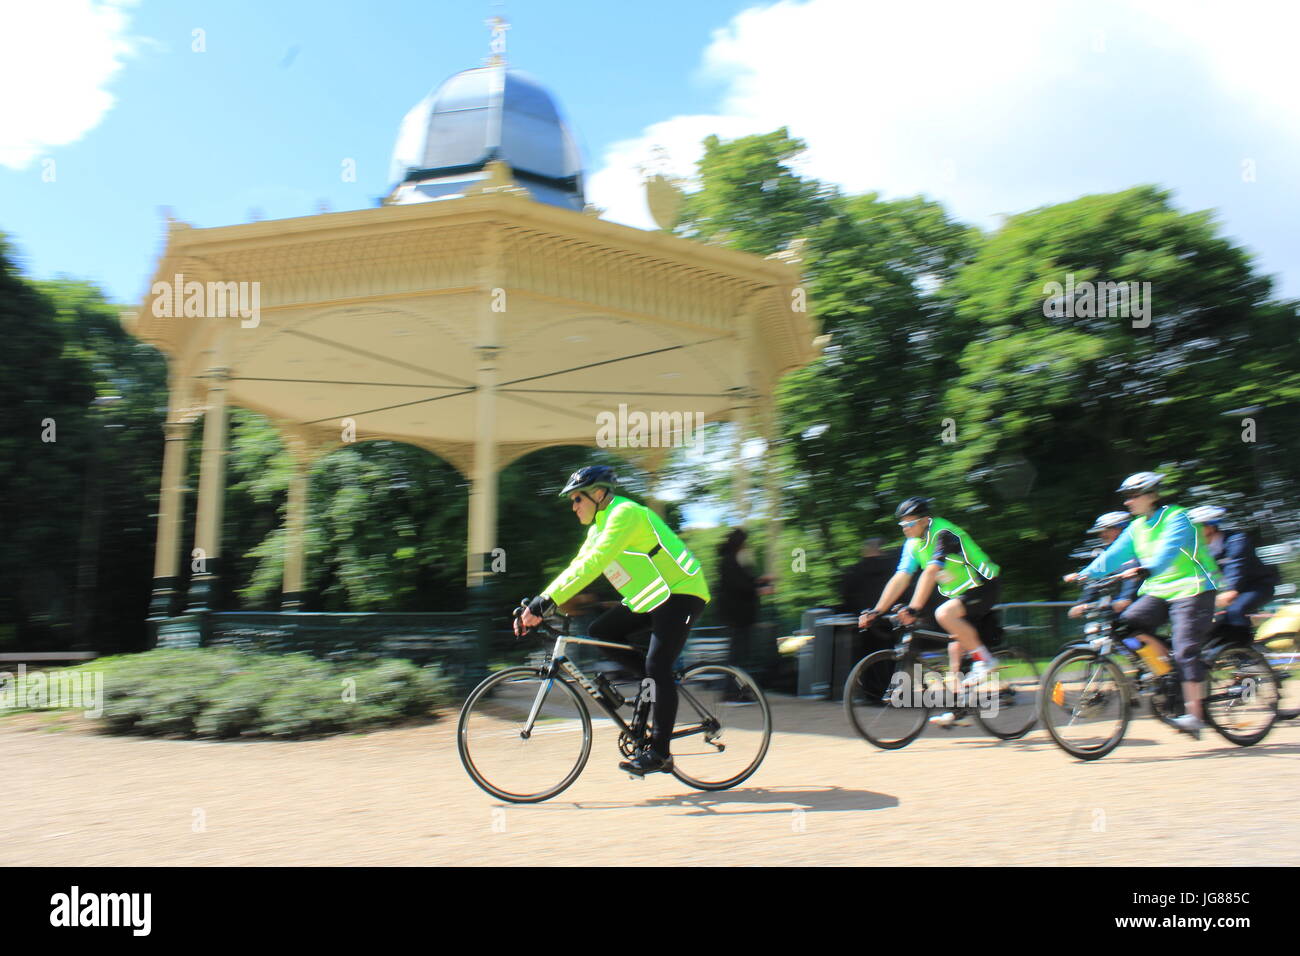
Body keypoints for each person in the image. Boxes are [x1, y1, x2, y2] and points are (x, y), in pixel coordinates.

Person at [514, 465, 710, 776]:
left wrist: (544, 603)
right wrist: (542, 601)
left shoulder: (625, 514)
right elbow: (578, 566)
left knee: (657, 666)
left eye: (577, 498)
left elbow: (596, 562)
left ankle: (660, 753)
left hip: (682, 593)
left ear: (598, 493)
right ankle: (655, 684)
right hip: (651, 598)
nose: (573, 506)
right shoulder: (597, 528)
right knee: (600, 631)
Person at [1076, 472, 1220, 738]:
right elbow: (1113, 555)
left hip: (1194, 588)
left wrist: (1147, 567)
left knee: (1185, 646)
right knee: (1125, 625)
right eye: (1126, 498)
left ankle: (1194, 715)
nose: (1128, 502)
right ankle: (1167, 670)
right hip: (1160, 590)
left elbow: (1168, 551)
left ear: (1152, 495)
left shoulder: (1177, 517)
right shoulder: (1137, 527)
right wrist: (1086, 573)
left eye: (1133, 496)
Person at [858, 497, 1003, 727]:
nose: (905, 528)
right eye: (902, 525)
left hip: (983, 584)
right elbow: (901, 578)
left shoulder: (942, 532)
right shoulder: (912, 544)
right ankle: (957, 710)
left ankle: (985, 660)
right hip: (962, 594)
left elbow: (931, 572)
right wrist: (877, 610)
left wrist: (913, 609)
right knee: (954, 648)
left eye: (909, 524)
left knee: (944, 614)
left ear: (925, 520)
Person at [1187, 505, 1279, 645]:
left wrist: (1230, 590)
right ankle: (1226, 651)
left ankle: (1247, 654)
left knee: (1235, 610)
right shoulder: (1199, 551)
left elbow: (1236, 567)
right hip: (1227, 592)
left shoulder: (1236, 540)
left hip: (1256, 587)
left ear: (1210, 527)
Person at [715, 529, 772, 694]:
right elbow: (738, 586)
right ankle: (732, 692)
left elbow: (742, 582)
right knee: (737, 656)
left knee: (739, 655)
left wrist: (759, 581)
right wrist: (759, 590)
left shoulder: (731, 560)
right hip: (738, 616)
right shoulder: (730, 561)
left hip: (739, 615)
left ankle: (736, 691)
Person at [1064, 512, 1139, 618]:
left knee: (1130, 627)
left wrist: (1125, 598)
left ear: (1121, 529)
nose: (1101, 535)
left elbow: (1133, 577)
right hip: (1118, 607)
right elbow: (1097, 579)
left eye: (1105, 531)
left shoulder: (1136, 552)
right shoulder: (1105, 555)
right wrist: (1082, 603)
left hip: (1140, 603)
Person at [840, 538, 894, 615]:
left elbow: (846, 596)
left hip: (862, 617)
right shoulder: (894, 569)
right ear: (882, 550)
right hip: (890, 614)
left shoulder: (852, 571)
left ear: (864, 550)